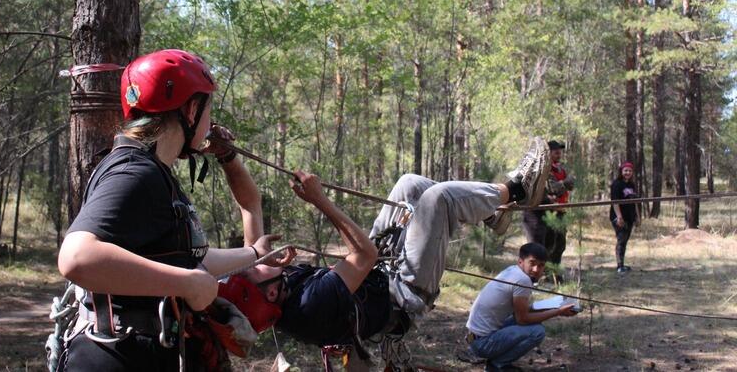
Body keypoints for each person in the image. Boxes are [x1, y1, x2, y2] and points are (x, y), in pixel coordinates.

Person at [56, 49, 290, 371]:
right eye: (209, 110)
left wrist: (254, 253)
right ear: (191, 110)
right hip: (122, 357)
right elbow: (77, 258)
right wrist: (186, 283)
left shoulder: (156, 173)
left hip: (140, 352)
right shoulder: (135, 172)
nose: (211, 123)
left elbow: (191, 259)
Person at [222, 138, 553, 354]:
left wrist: (227, 157)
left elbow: (250, 204)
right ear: (266, 292)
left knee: (409, 185)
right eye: (253, 266)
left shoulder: (268, 280)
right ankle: (518, 189)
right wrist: (320, 201)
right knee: (440, 198)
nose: (254, 257)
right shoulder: (309, 306)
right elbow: (363, 254)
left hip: (379, 272)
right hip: (404, 292)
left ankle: (491, 212)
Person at [463, 243, 578, 372]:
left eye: (540, 265)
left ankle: (497, 362)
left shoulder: (513, 270)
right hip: (482, 344)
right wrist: (557, 312)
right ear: (521, 261)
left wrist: (557, 310)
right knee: (537, 332)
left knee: (534, 323)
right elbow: (522, 319)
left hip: (475, 338)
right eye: (532, 263)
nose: (536, 269)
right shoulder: (522, 280)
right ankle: (497, 365)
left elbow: (522, 311)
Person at [543, 140, 574, 281]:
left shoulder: (561, 169)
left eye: (559, 151)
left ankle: (555, 272)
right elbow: (552, 189)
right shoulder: (545, 168)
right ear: (548, 152)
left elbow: (570, 185)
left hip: (562, 209)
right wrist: (565, 183)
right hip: (550, 212)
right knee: (550, 244)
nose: (558, 153)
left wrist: (564, 184)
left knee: (560, 245)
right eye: (555, 151)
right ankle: (547, 274)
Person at [610, 161, 640, 274]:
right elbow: (615, 202)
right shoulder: (617, 184)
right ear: (621, 171)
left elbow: (636, 202)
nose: (628, 173)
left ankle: (622, 264)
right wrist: (619, 217)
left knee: (625, 240)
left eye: (630, 171)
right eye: (625, 170)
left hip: (630, 217)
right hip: (618, 217)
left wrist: (637, 216)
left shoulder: (631, 185)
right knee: (621, 240)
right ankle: (619, 266)